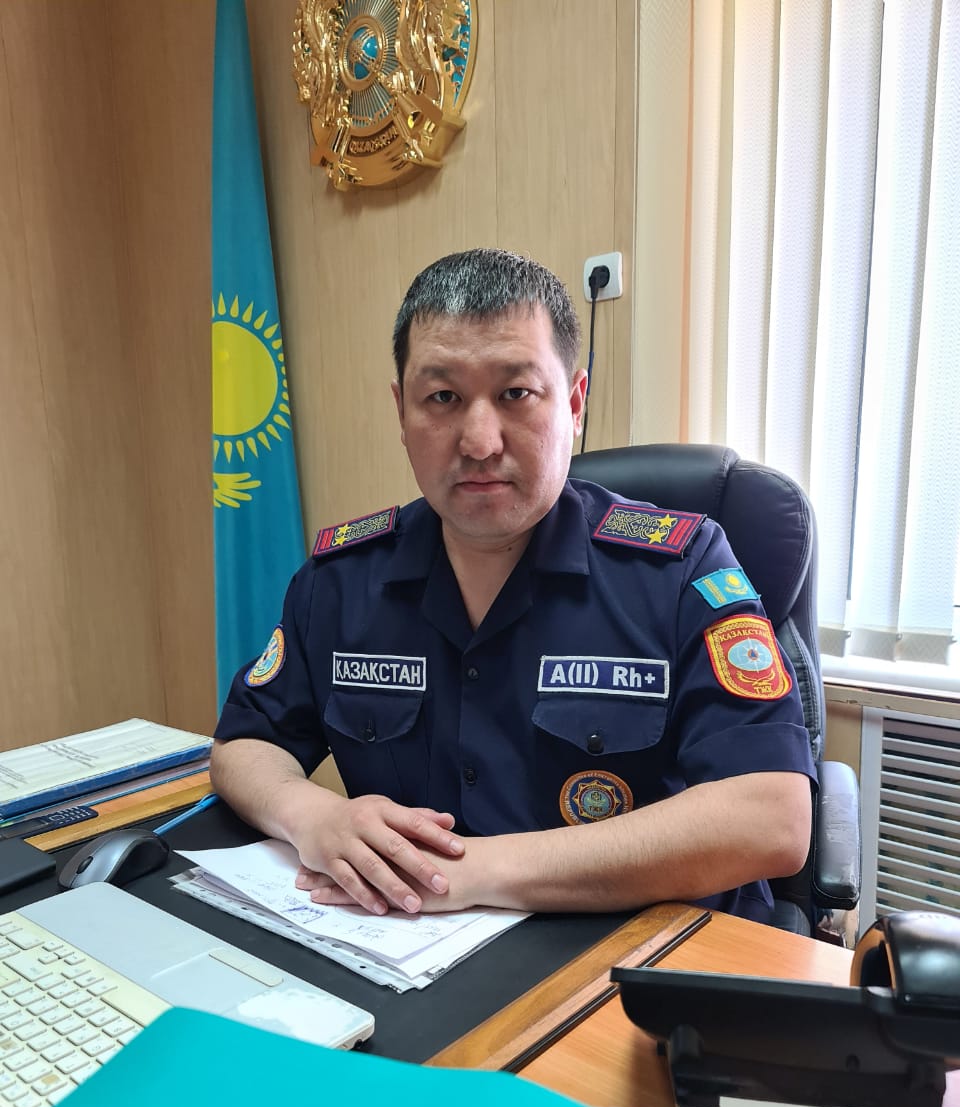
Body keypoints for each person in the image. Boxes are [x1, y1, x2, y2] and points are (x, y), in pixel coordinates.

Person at [211, 248, 814, 924]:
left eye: (515, 394)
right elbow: (243, 745)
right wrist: (313, 815)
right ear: (401, 412)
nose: (478, 442)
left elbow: (773, 817)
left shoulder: (680, 569)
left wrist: (474, 872)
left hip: (635, 953)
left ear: (574, 403)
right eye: (442, 398)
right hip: (409, 952)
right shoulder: (341, 581)